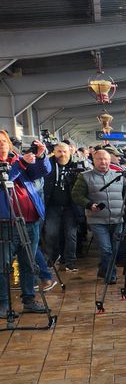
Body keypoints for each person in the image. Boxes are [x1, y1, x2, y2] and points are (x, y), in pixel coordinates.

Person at [0, 132, 51, 316]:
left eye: (4, 141)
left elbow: (42, 171)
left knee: (28, 262)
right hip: (6, 223)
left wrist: (40, 156)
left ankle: (29, 300)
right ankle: (3, 304)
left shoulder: (17, 159)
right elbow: (5, 179)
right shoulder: (16, 163)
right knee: (3, 265)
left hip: (31, 220)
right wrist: (21, 164)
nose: (2, 145)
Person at [72, 148, 125, 283]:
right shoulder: (85, 176)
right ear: (93, 161)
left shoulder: (119, 175)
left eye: (106, 159)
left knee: (115, 248)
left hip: (117, 218)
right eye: (100, 159)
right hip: (97, 219)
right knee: (106, 249)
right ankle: (110, 276)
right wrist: (89, 205)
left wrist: (125, 207)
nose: (103, 161)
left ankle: (103, 270)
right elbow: (76, 195)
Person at [42, 142, 83, 272]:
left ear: (70, 151)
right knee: (51, 233)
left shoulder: (78, 165)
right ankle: (52, 258)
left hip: (71, 206)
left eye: (64, 151)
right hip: (52, 205)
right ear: (54, 151)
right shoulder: (48, 164)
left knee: (71, 234)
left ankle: (70, 261)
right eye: (59, 151)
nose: (62, 154)